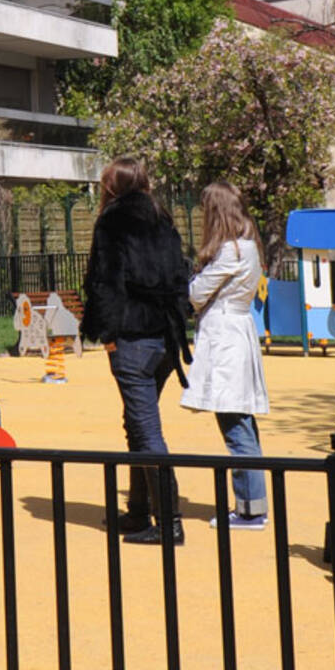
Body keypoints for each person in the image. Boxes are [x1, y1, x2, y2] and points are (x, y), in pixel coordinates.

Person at [80, 156, 192, 544]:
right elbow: (181, 275)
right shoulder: (162, 218)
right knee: (136, 422)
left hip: (132, 336)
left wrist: (107, 333)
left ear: (113, 186)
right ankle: (139, 512)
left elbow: (104, 282)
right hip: (164, 337)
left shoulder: (112, 221)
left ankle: (170, 523)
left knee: (145, 429)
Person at [183, 182, 270, 530]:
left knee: (236, 426)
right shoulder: (248, 245)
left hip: (226, 339)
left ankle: (250, 511)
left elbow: (196, 293)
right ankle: (252, 504)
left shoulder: (232, 250)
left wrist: (192, 277)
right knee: (242, 423)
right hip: (237, 332)